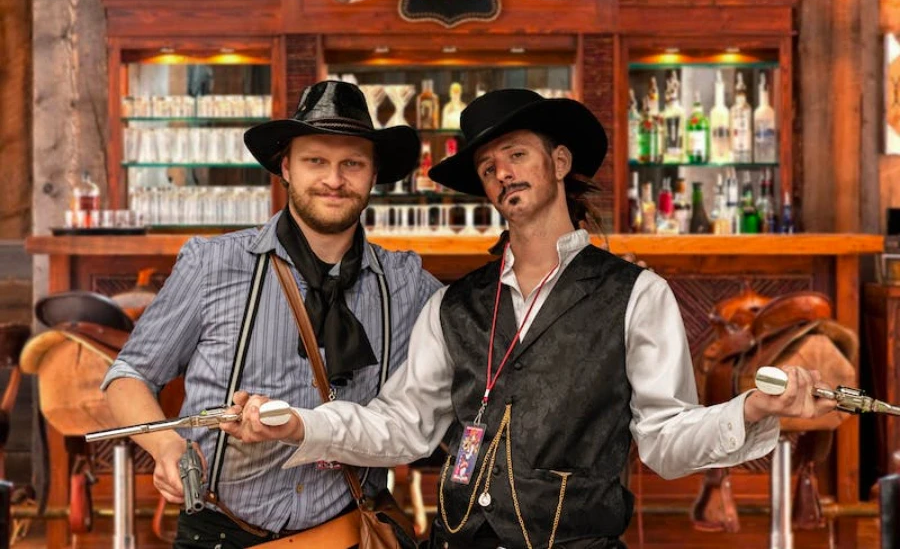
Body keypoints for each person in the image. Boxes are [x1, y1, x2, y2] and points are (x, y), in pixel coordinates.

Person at [222, 89, 836, 549]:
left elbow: (665, 442)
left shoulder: (636, 294)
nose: (502, 174)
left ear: (561, 162)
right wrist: (299, 424)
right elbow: (403, 428)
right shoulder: (453, 306)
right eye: (488, 168)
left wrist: (751, 411)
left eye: (516, 155)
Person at [101, 80, 441, 548]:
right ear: (286, 166)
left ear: (373, 173)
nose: (334, 179)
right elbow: (130, 373)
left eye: (352, 164)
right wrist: (167, 448)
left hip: (346, 533)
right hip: (221, 531)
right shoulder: (212, 263)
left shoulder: (406, 285)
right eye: (315, 161)